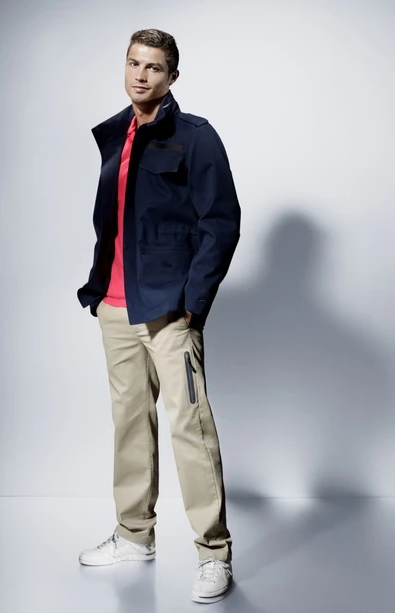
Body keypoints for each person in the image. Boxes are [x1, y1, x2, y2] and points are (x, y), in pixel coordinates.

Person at [76, 28, 241, 604]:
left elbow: (221, 222)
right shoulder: (115, 134)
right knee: (129, 424)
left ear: (172, 76)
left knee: (189, 428)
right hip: (116, 307)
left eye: (152, 67)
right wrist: (101, 292)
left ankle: (214, 554)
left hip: (170, 310)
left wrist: (194, 302)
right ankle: (133, 536)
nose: (140, 74)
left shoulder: (195, 137)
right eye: (133, 63)